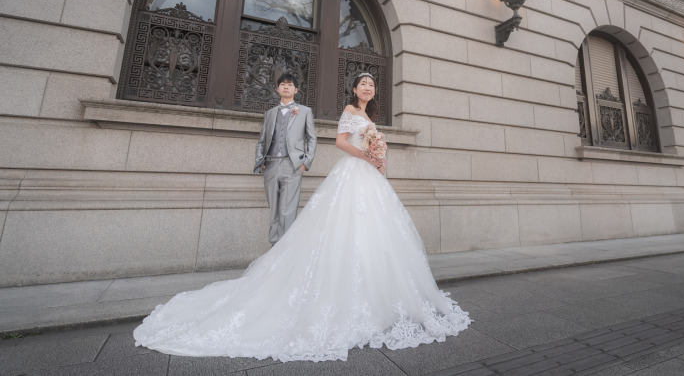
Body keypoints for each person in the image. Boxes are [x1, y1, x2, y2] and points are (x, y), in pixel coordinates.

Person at [133, 72, 470, 361]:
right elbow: (339, 142)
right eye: (363, 83)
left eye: (371, 85)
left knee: (373, 234)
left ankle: (379, 297)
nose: (367, 87)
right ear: (354, 89)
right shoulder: (350, 111)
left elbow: (368, 144)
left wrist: (378, 156)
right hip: (354, 172)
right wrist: (367, 154)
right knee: (345, 228)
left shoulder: (368, 116)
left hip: (369, 175)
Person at [254, 73, 317, 244]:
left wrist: (305, 163)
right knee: (274, 209)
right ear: (277, 89)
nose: (286, 87)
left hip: (293, 165)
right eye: (282, 84)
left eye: (290, 84)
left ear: (296, 90)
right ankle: (274, 250)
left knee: (287, 211)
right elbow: (261, 141)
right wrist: (260, 162)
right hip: (271, 164)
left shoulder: (304, 111)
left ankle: (285, 252)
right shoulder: (269, 113)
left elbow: (312, 138)